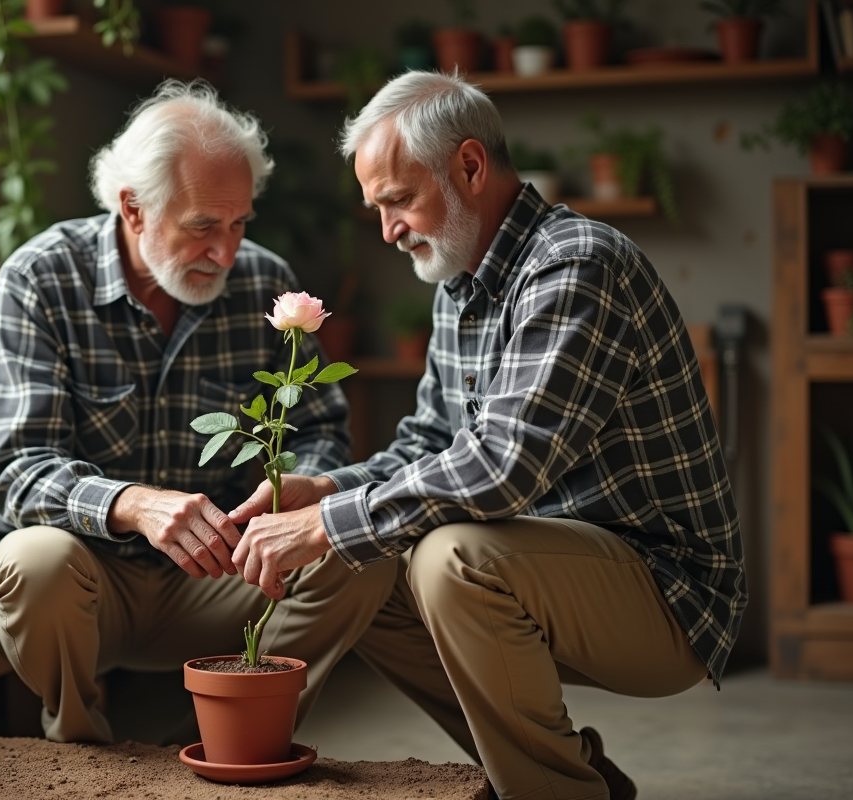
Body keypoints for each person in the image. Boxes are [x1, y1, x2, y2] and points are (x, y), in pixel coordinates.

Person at [229, 70, 746, 800]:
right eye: (377, 208)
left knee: (449, 558)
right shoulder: (459, 284)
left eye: (399, 200)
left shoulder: (576, 265)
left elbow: (503, 468)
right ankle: (572, 777)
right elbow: (429, 444)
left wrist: (326, 523)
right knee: (360, 563)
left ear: (470, 166)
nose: (387, 230)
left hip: (668, 596)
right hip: (547, 567)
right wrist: (327, 490)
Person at [0, 79, 396, 745]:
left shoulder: (263, 280)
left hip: (219, 579)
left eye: (239, 223)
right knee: (35, 561)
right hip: (81, 584)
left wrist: (298, 495)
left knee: (361, 547)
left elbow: (321, 430)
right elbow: (19, 470)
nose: (225, 252)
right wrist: (135, 504)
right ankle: (81, 751)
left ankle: (220, 744)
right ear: (133, 209)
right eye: (201, 227)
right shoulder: (41, 277)